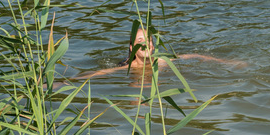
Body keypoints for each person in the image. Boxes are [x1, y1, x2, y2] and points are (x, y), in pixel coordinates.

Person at [72, 26, 238, 80]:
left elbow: (195, 56)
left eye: (148, 41)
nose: (145, 45)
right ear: (132, 47)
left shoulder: (162, 61)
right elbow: (98, 73)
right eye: (140, 42)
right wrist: (63, 82)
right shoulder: (127, 68)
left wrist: (228, 63)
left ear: (153, 46)